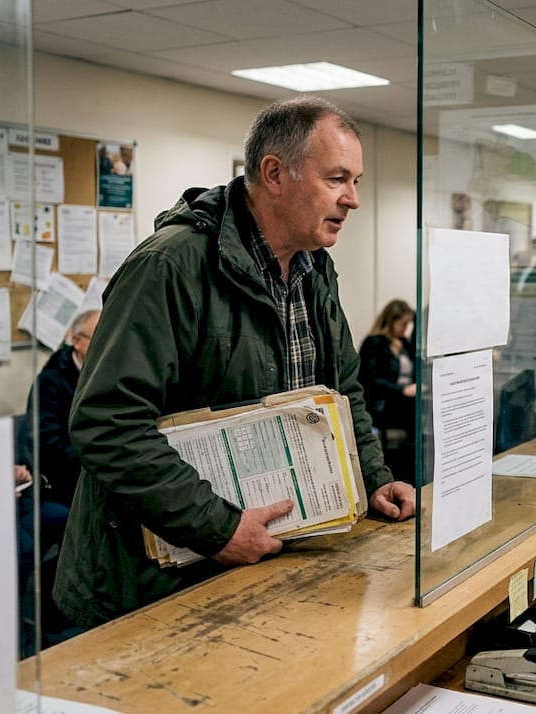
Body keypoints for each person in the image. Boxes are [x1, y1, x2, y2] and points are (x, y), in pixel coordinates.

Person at [55, 96, 416, 629]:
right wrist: (218, 527)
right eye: (338, 178)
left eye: (356, 180)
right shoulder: (169, 266)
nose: (353, 199)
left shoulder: (316, 272)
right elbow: (107, 423)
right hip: (153, 586)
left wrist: (373, 478)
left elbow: (344, 396)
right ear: (274, 173)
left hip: (262, 569)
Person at [26, 309, 100, 507]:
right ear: (76, 341)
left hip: (102, 469)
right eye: (99, 337)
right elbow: (49, 442)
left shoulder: (110, 373)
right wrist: (97, 459)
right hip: (67, 478)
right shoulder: (50, 382)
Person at [358, 299, 416, 442]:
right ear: (391, 321)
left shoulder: (405, 344)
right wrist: (402, 389)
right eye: (403, 324)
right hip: (383, 401)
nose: (406, 328)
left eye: (408, 324)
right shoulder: (373, 343)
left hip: (404, 401)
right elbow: (371, 379)